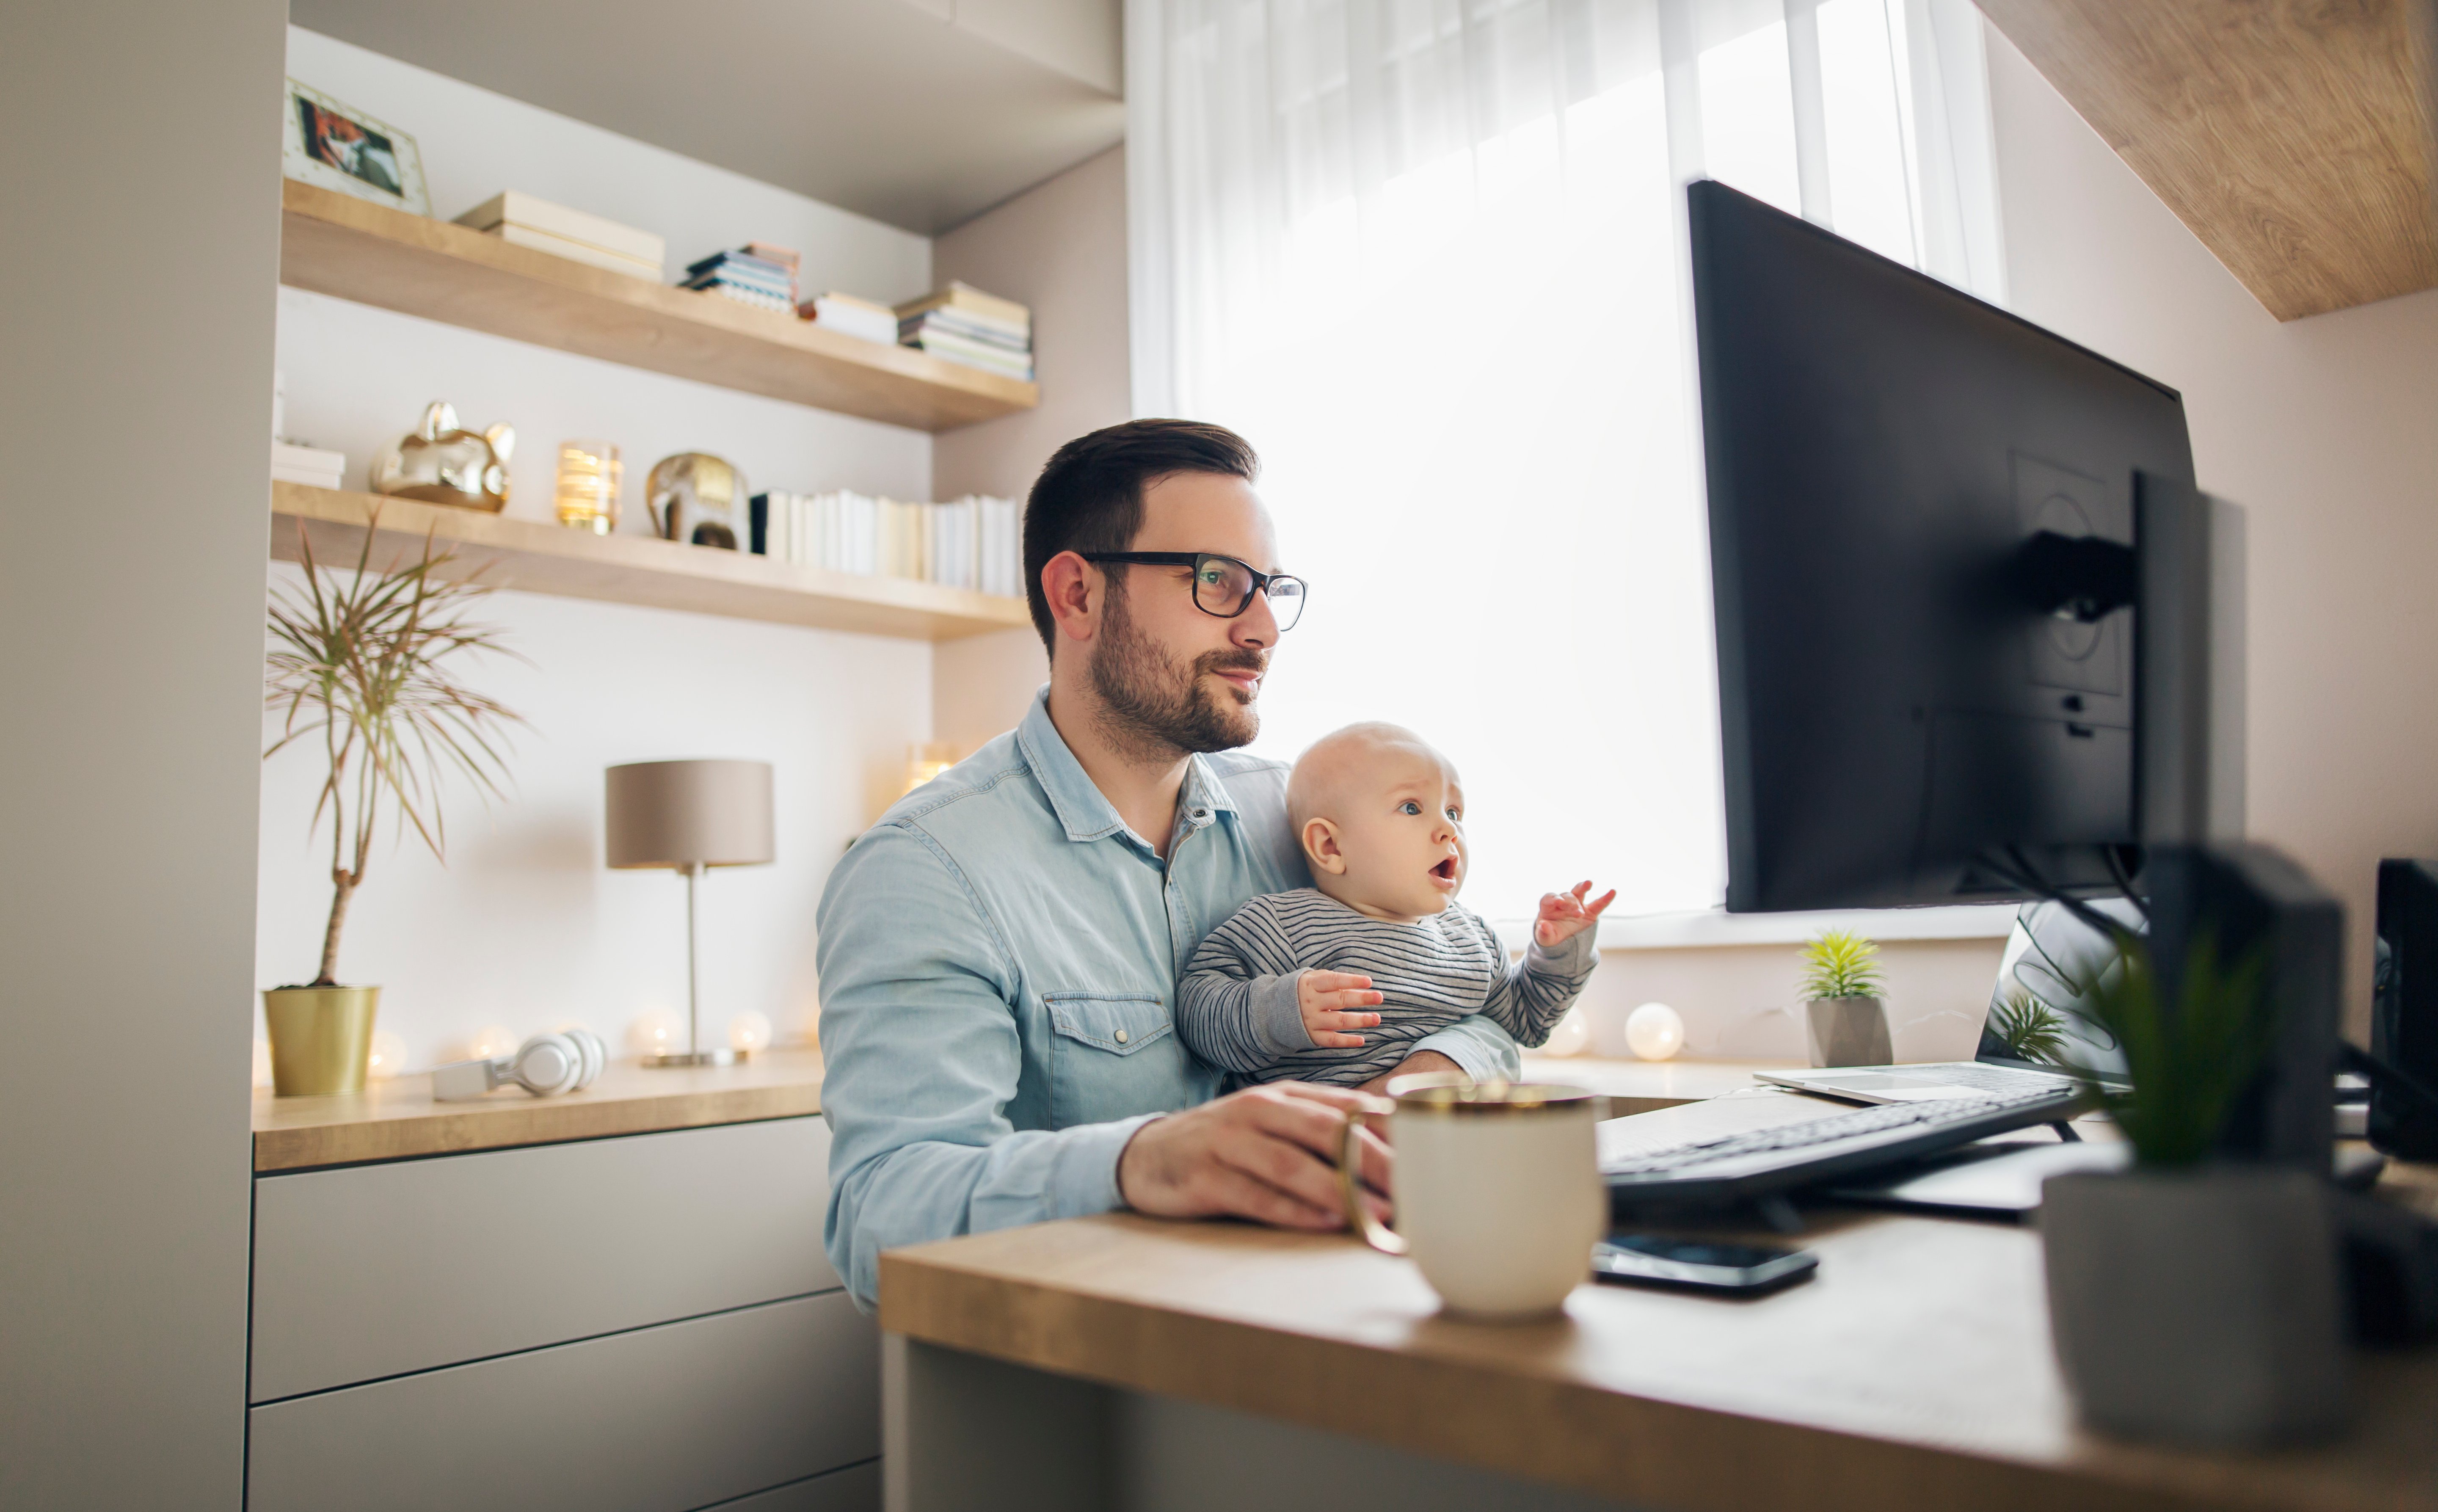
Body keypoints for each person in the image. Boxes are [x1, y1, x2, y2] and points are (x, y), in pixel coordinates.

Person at [814, 421, 1524, 1308]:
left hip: (1352, 1319)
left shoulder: (1305, 820)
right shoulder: (924, 870)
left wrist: (1433, 1074)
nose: (1263, 628)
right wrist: (1140, 1160)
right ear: (1077, 594)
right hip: (1108, 1390)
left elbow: (1491, 1008)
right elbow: (881, 1218)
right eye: (1219, 582)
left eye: (1271, 589)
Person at [1172, 722, 1613, 1085]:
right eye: (1411, 807)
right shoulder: (1282, 925)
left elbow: (1526, 1022)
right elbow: (1197, 1008)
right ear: (1330, 846)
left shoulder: (1473, 939)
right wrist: (1280, 1010)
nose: (1449, 830)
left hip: (1442, 1151)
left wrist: (1558, 953)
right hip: (1316, 1154)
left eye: (1454, 812)